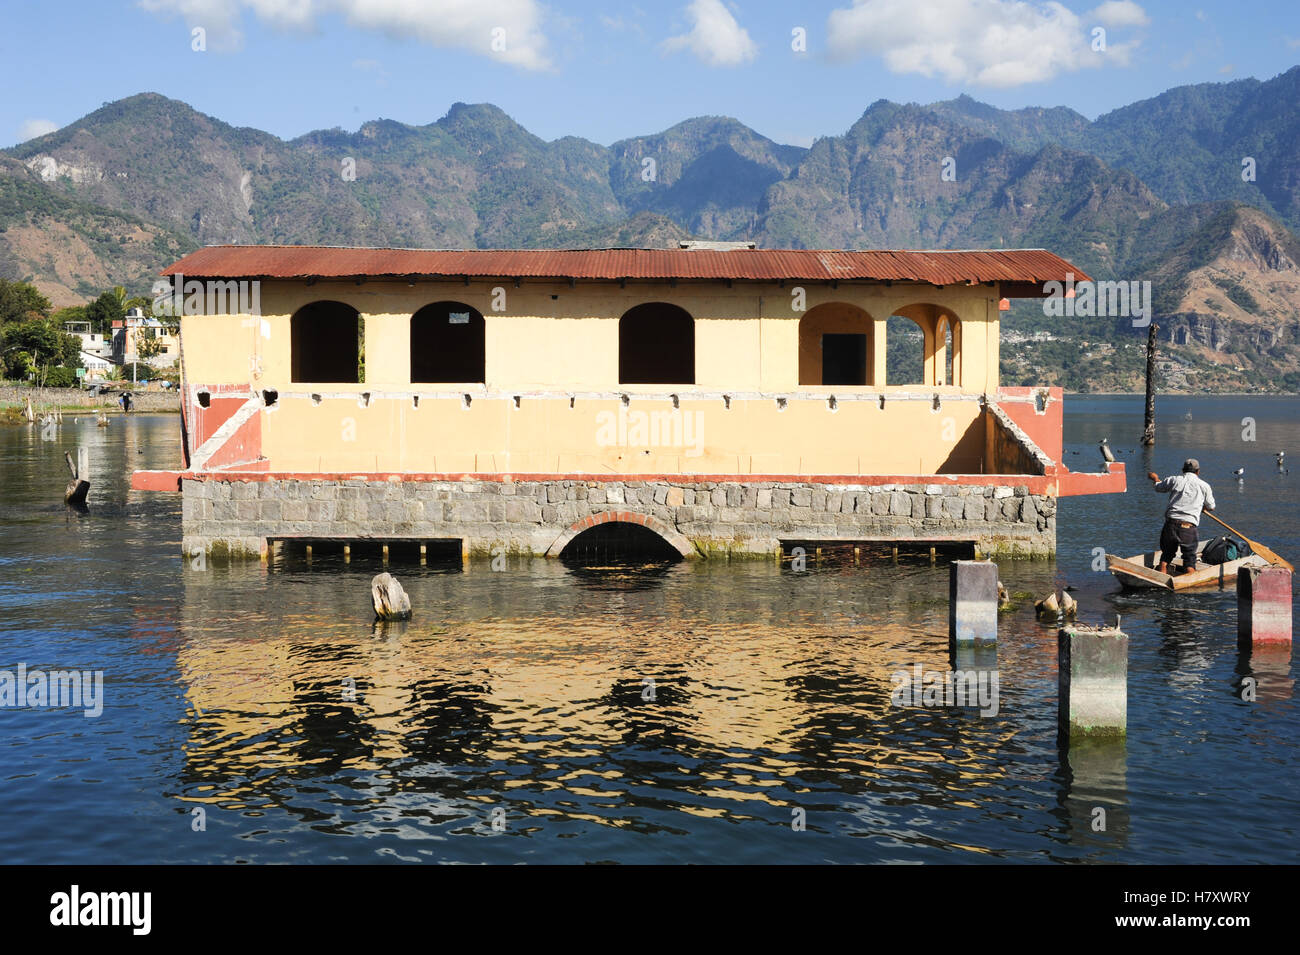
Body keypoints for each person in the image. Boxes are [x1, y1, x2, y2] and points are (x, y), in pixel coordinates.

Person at [1147, 458, 1215, 575]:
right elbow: (1211, 507)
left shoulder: (1174, 480)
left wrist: (1155, 479)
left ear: (1183, 470)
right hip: (1188, 527)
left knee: (1166, 556)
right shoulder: (1204, 486)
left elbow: (1158, 487)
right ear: (1198, 471)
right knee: (1189, 560)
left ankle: (1161, 575)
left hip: (1170, 525)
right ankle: (1189, 584)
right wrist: (1202, 507)